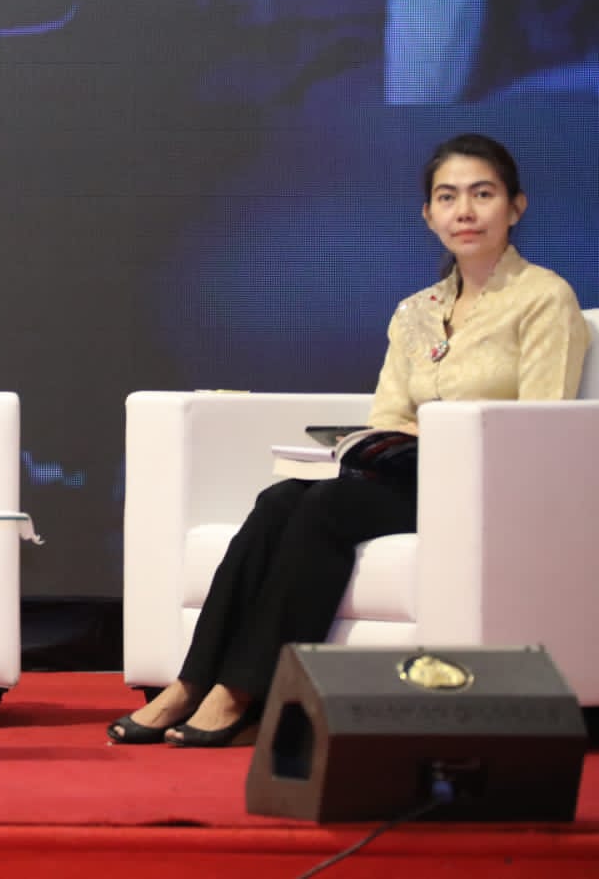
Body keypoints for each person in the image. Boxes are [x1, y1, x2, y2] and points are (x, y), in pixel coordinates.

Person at [109, 132, 590, 747]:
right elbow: (387, 413)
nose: (464, 212)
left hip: (487, 489)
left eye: (483, 194)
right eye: (448, 197)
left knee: (328, 508)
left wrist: (441, 433)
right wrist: (392, 438)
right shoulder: (417, 310)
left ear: (515, 207)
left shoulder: (544, 298)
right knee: (279, 500)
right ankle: (191, 682)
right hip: (410, 472)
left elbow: (542, 424)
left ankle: (244, 693)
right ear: (428, 214)